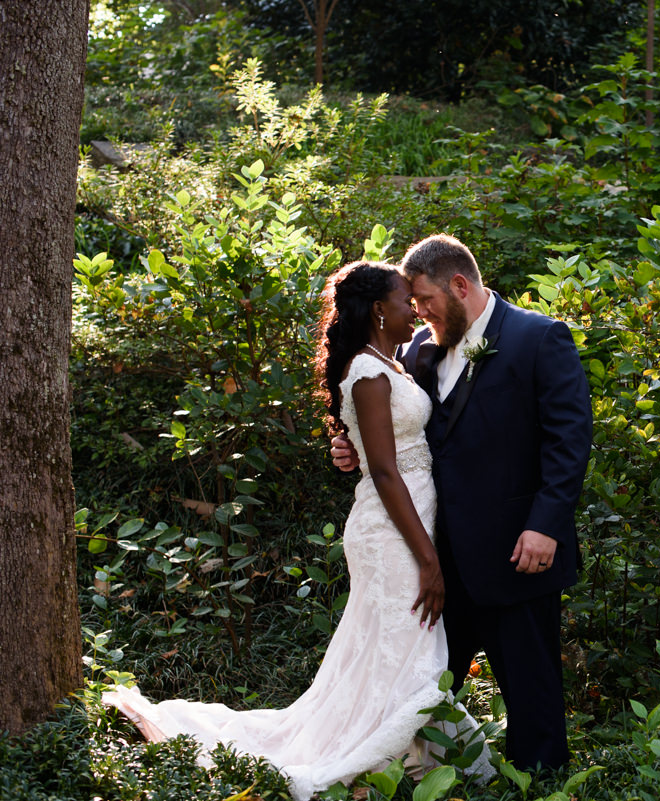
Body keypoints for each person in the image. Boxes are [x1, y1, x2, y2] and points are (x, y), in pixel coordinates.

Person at [104, 261, 491, 800]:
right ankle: (376, 765)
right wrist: (428, 561)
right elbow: (382, 469)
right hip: (392, 536)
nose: (415, 310)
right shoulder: (369, 372)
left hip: (410, 523)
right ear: (380, 309)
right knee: (411, 650)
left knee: (392, 650)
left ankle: (410, 760)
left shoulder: (394, 362)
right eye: (407, 301)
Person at [331, 233, 592, 771]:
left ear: (459, 284)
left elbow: (569, 441)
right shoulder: (419, 349)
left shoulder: (539, 338)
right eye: (412, 303)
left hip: (518, 547)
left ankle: (540, 780)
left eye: (424, 300)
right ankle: (421, 772)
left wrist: (545, 525)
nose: (419, 313)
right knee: (423, 679)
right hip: (438, 553)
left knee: (530, 684)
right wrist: (350, 447)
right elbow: (397, 434)